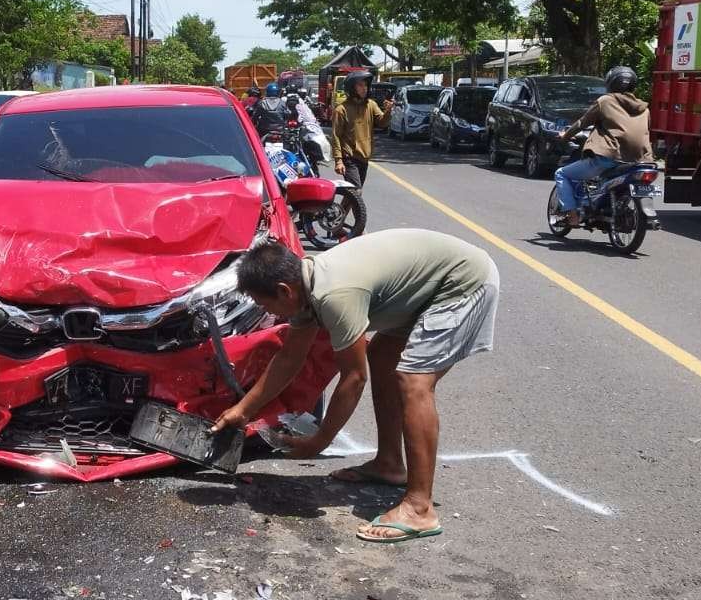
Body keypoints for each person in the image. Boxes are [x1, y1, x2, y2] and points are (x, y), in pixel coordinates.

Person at [211, 231, 499, 544]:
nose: (267, 312)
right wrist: (242, 410)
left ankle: (419, 508)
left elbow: (353, 377)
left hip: (462, 283)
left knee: (414, 381)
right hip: (429, 286)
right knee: (382, 357)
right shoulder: (305, 288)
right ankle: (389, 464)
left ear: (284, 291)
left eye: (264, 304)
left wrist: (319, 441)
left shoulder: (334, 294)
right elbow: (289, 359)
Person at [556, 66, 652, 226]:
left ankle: (572, 216)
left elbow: (582, 123)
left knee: (562, 174)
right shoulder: (645, 109)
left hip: (608, 158)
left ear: (611, 83)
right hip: (639, 161)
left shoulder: (605, 101)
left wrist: (565, 136)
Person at [332, 72, 387, 188]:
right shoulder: (341, 109)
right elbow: (336, 135)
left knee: (354, 194)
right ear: (352, 87)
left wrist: (389, 111)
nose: (364, 88)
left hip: (364, 156)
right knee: (356, 190)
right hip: (349, 157)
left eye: (366, 85)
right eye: (360, 85)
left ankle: (339, 207)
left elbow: (382, 123)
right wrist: (338, 160)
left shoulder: (371, 105)